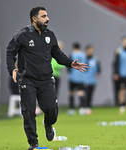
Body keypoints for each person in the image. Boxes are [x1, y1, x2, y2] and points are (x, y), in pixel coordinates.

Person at [6, 7, 87, 150]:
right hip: (27, 79)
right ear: (34, 19)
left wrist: (70, 63)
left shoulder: (50, 35)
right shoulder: (22, 35)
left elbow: (57, 54)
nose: (47, 19)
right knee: (29, 112)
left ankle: (48, 124)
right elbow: (10, 52)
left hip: (46, 79)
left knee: (52, 111)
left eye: (47, 16)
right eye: (43, 16)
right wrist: (12, 69)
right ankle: (33, 143)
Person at [68, 42, 86, 116]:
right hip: (81, 76)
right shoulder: (83, 55)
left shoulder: (72, 54)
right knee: (81, 92)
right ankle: (82, 108)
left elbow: (68, 66)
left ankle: (72, 109)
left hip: (72, 77)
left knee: (71, 92)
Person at [84, 44, 101, 115]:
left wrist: (98, 73)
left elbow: (99, 68)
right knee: (85, 94)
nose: (90, 51)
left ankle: (88, 107)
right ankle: (83, 107)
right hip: (85, 80)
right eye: (89, 50)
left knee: (90, 94)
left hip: (93, 80)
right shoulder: (84, 59)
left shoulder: (95, 59)